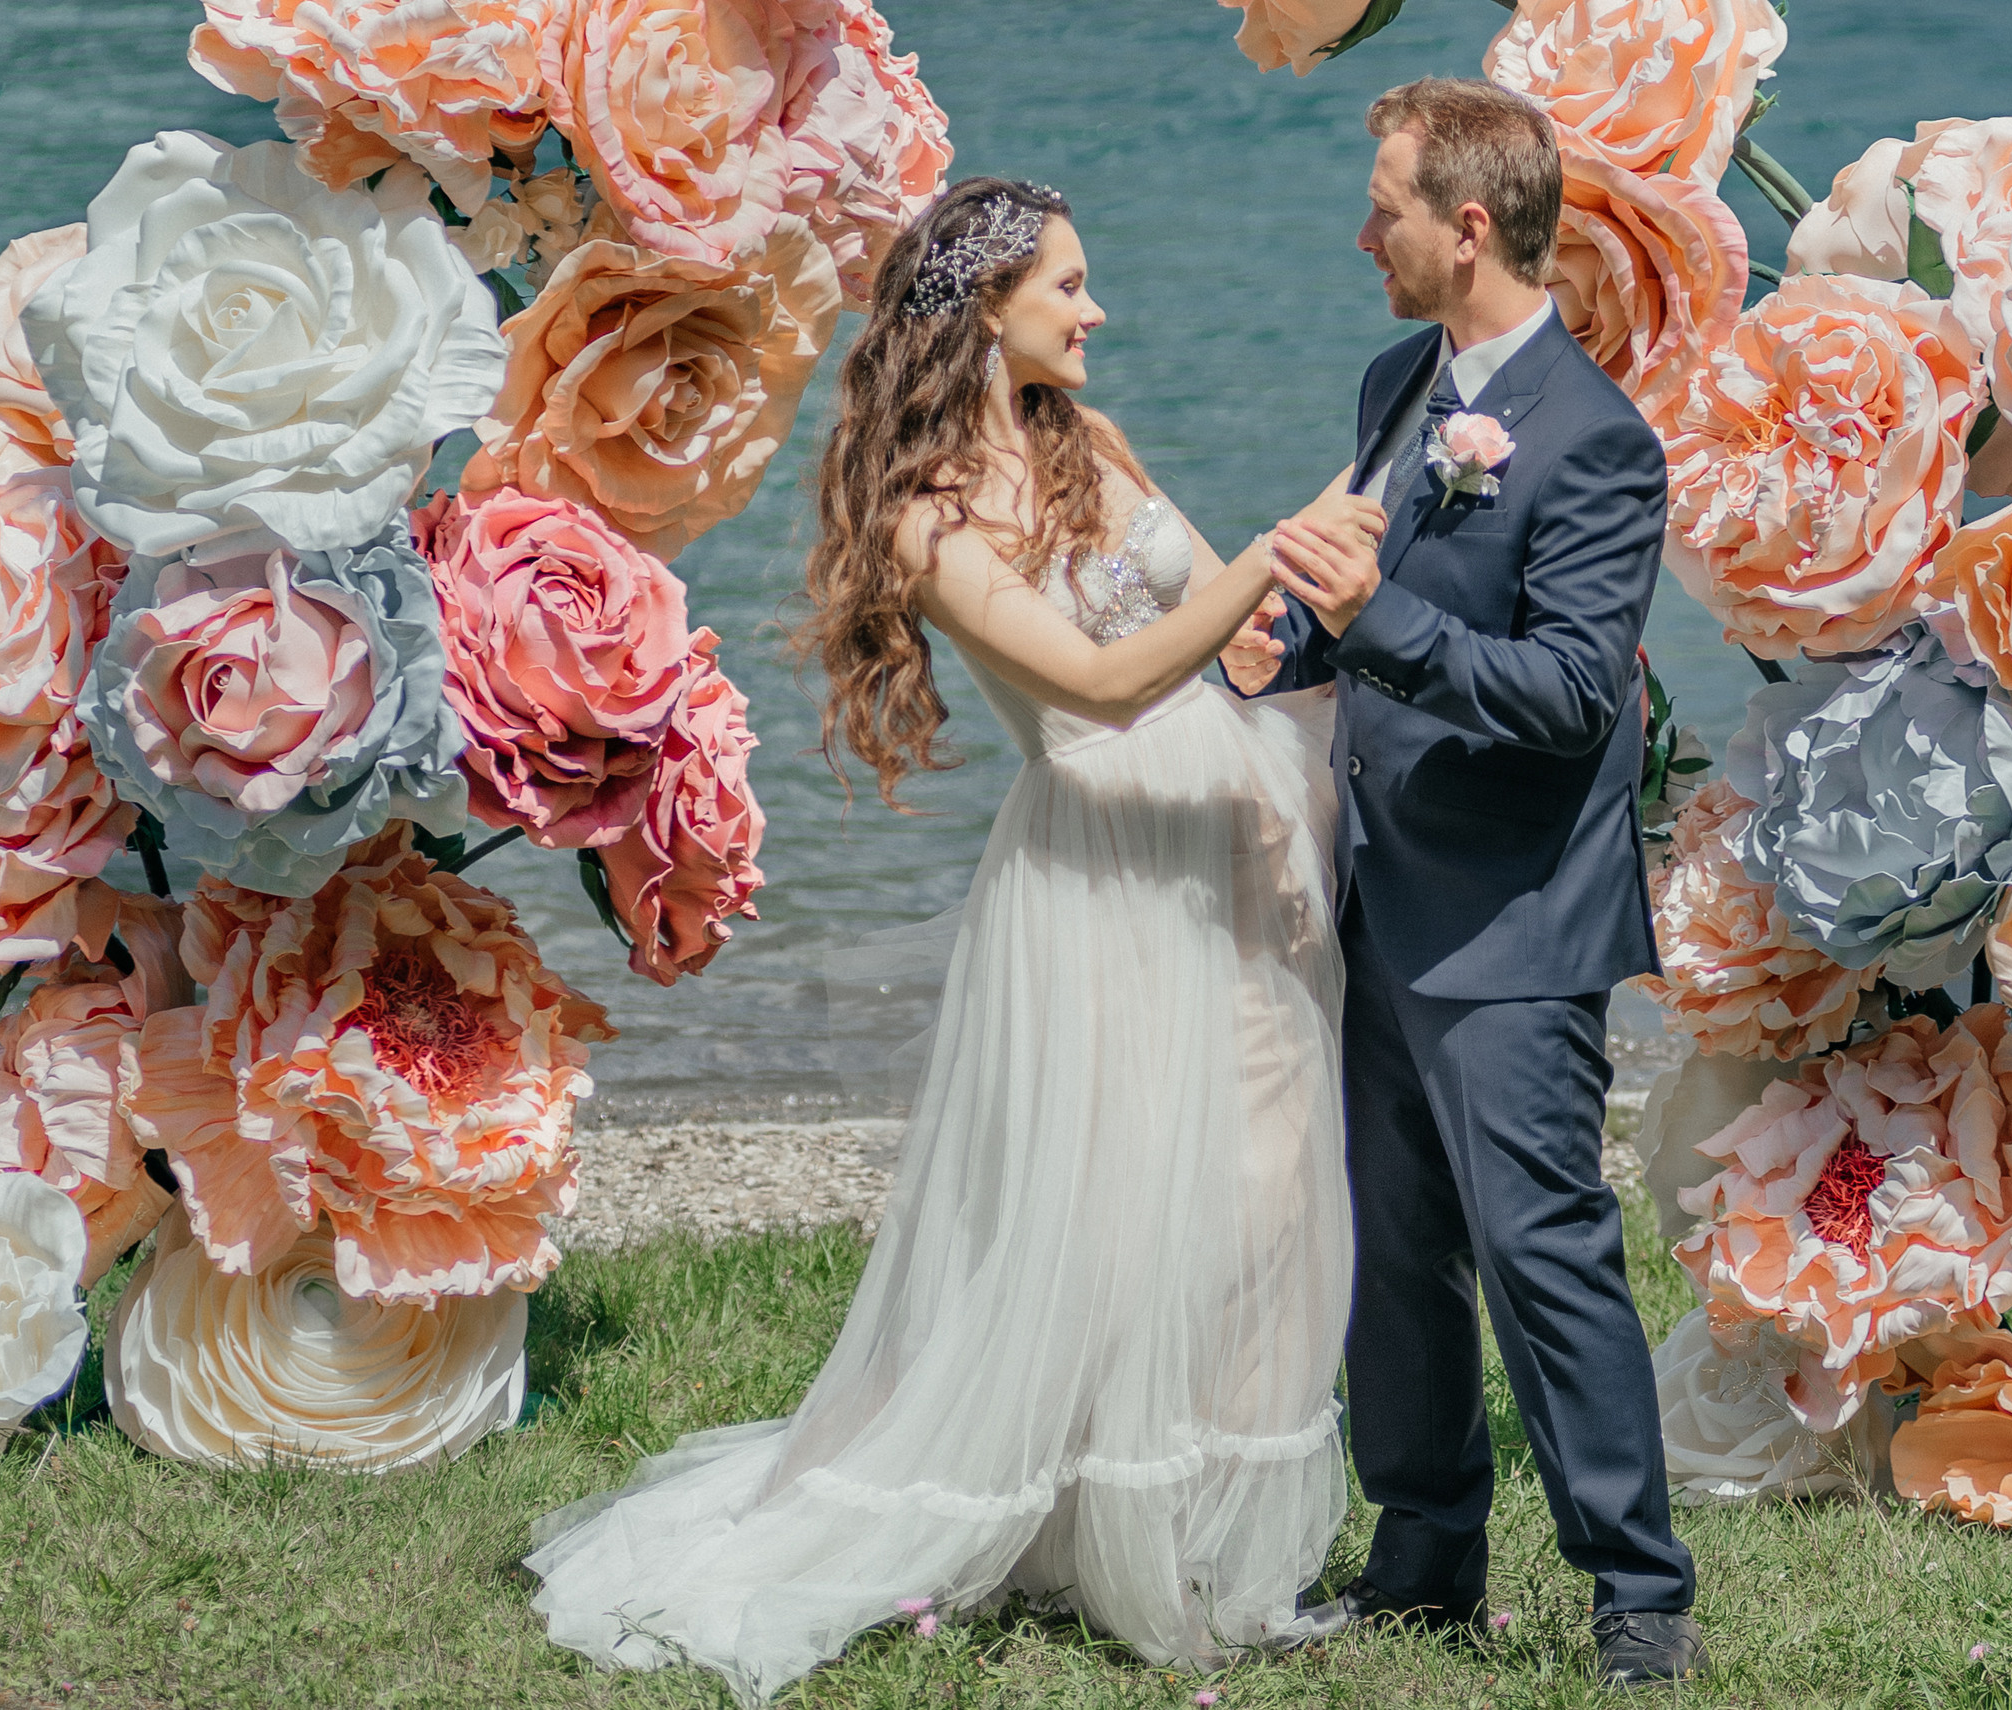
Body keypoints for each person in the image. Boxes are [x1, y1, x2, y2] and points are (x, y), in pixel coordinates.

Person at [524, 177, 1383, 1703]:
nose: (1095, 308)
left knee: (1261, 1183)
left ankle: (1219, 1539)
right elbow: (1102, 686)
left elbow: (1204, 632)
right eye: (1068, 282)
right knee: (1126, 1197)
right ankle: (1118, 1528)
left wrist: (1271, 623)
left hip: (1230, 826)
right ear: (985, 310)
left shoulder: (1087, 443)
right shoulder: (927, 520)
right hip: (1104, 870)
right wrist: (1279, 549)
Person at [1225, 78, 1704, 1688]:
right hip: (1379, 892)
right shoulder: (1395, 379)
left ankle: (1638, 1591)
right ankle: (1424, 1552)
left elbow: (1575, 692)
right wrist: (1280, 640)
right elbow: (1367, 575)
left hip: (1515, 920)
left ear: (1469, 226)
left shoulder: (1600, 444)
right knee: (1391, 1246)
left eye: (1387, 208)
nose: (1366, 232)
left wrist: (1368, 628)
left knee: (1542, 1252)